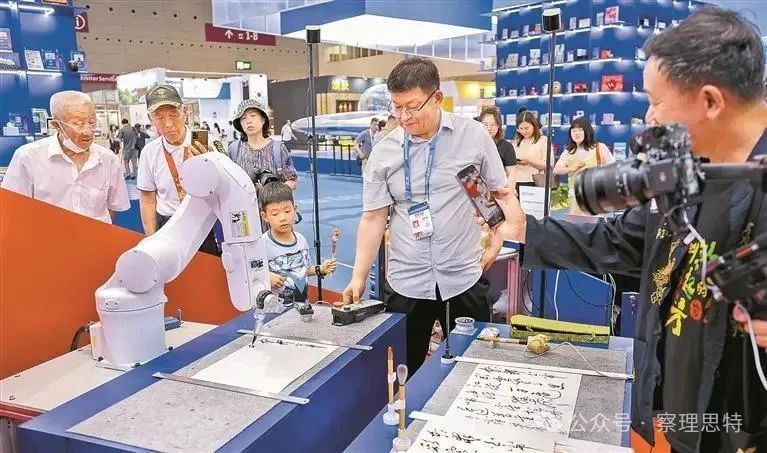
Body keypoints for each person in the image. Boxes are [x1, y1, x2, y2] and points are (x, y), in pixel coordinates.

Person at [478, 8, 767, 452]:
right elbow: (621, 241)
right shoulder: (686, 171)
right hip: (685, 415)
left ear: (711, 101)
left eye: (656, 100)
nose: (649, 116)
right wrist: (526, 230)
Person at [342, 57, 507, 373]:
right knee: (404, 373)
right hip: (407, 281)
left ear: (437, 98)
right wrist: (359, 276)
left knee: (471, 369)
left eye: (412, 107)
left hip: (463, 276)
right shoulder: (385, 151)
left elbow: (494, 196)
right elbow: (374, 218)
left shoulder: (472, 137)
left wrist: (496, 240)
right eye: (396, 107)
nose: (404, 116)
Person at [1, 91, 129, 223]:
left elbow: (114, 207)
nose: (88, 131)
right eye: (79, 124)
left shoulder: (108, 159)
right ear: (57, 125)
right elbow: (12, 208)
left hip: (96, 235)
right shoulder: (27, 158)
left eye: (92, 123)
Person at [136, 84, 220, 255]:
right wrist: (151, 238)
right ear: (150, 118)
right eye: (159, 117)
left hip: (202, 223)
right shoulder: (149, 152)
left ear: (185, 112)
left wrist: (212, 166)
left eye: (173, 114)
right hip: (167, 224)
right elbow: (147, 199)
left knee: (206, 268)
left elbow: (226, 189)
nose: (168, 124)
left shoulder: (206, 142)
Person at [260, 182, 337, 302]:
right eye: (275, 214)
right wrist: (266, 277)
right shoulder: (262, 244)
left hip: (302, 305)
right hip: (275, 309)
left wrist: (321, 268)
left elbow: (303, 270)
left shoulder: (300, 239)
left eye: (287, 211)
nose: (282, 218)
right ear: (265, 216)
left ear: (295, 209)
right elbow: (250, 275)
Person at [228, 99, 298, 191]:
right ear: (240, 124)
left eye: (253, 116)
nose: (248, 121)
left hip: (273, 200)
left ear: (263, 119)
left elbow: (292, 180)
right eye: (243, 118)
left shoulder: (278, 149)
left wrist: (275, 192)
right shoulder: (234, 149)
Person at [553, 116, 615, 214]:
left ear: (587, 131)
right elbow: (556, 170)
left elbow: (613, 168)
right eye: (573, 131)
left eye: (580, 130)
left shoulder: (599, 148)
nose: (576, 133)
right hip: (575, 197)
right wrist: (572, 168)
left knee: (595, 222)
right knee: (576, 222)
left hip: (595, 196)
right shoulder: (568, 152)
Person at [511, 111, 549, 193]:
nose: (524, 131)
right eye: (521, 129)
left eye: (526, 128)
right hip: (516, 182)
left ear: (534, 126)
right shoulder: (515, 142)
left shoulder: (543, 140)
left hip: (535, 182)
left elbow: (547, 164)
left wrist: (529, 160)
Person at [479, 107, 516, 188]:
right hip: (480, 190)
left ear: (498, 125)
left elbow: (511, 174)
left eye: (493, 124)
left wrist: (510, 190)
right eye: (485, 124)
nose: (489, 128)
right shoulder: (474, 145)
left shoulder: (506, 146)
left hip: (500, 189)